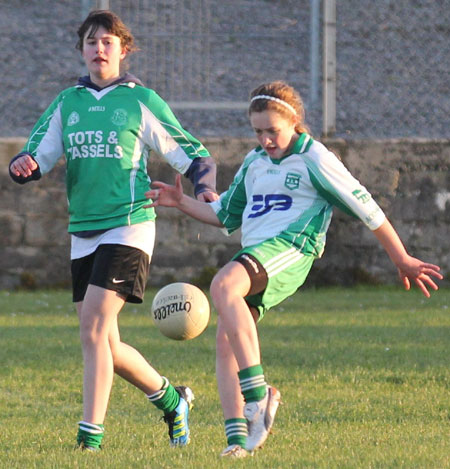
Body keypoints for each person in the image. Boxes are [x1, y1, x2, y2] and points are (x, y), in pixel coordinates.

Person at [144, 80, 443, 458]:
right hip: (259, 254)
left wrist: (402, 258)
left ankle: (258, 396)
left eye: (273, 130)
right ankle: (239, 441)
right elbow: (224, 215)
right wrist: (182, 201)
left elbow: (368, 209)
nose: (266, 139)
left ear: (295, 122)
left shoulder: (314, 158)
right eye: (258, 131)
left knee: (222, 286)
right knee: (226, 339)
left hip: (291, 250)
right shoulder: (255, 163)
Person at [9, 10, 218, 451]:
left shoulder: (139, 100)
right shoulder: (67, 103)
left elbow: (194, 154)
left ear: (124, 50)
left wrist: (204, 187)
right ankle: (172, 400)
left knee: (92, 329)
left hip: (129, 224)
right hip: (83, 229)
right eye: (91, 42)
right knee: (104, 339)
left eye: (108, 42)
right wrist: (23, 165)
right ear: (82, 51)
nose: (99, 49)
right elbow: (36, 154)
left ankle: (90, 438)